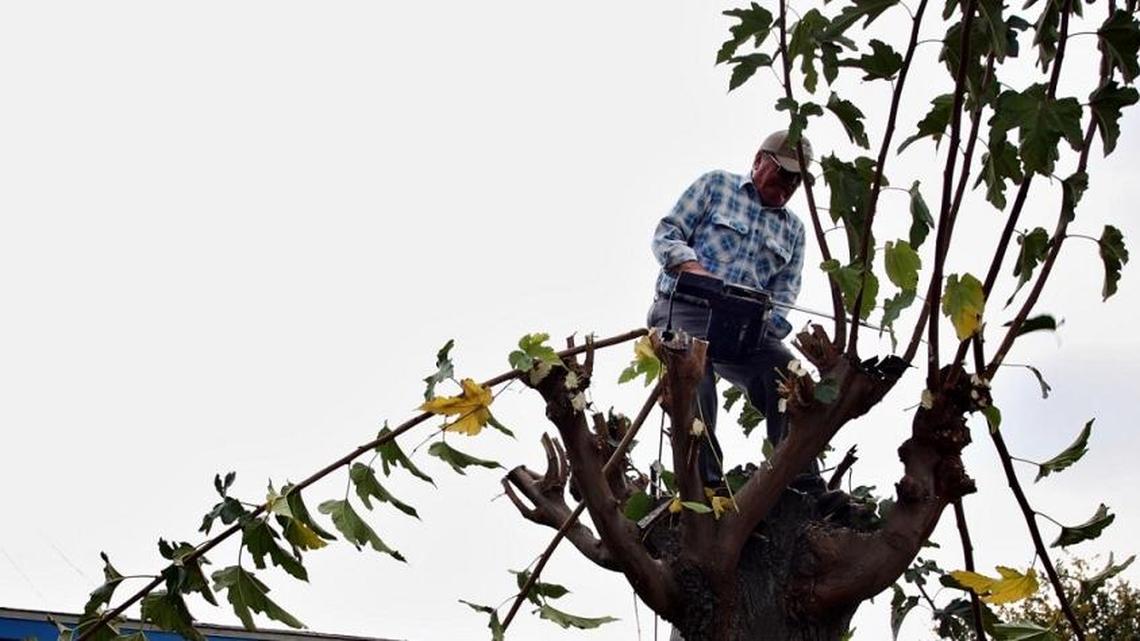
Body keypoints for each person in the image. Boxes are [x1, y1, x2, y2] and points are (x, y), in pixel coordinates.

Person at [647, 130, 811, 486]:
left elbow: (784, 294)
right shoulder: (716, 186)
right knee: (694, 373)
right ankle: (706, 483)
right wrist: (701, 277)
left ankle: (801, 483)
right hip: (685, 310)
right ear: (758, 160)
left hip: (741, 328)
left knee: (790, 377)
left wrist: (764, 324)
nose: (788, 184)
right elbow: (666, 236)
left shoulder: (794, 231)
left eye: (797, 180)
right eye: (783, 172)